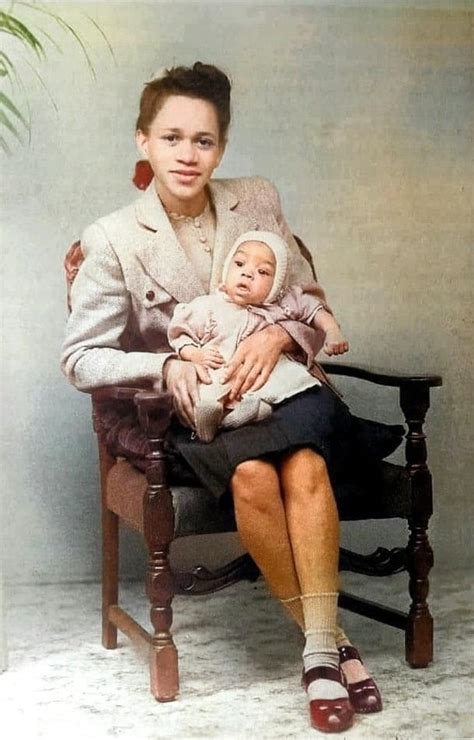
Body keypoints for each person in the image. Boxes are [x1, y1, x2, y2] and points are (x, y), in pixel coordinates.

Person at [61, 62, 403, 732]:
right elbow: (79, 358)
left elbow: (309, 304)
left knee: (303, 464)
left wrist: (279, 339)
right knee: (252, 477)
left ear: (222, 146)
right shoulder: (112, 239)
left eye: (204, 141)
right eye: (172, 138)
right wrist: (166, 364)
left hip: (289, 397)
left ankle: (315, 656)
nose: (188, 155)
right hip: (202, 414)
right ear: (142, 141)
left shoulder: (257, 199)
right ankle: (336, 645)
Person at [167, 230, 349, 442]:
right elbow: (180, 334)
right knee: (207, 389)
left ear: (278, 285)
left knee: (283, 387)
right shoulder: (208, 306)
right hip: (222, 368)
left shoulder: (284, 304)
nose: (247, 273)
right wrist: (194, 354)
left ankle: (249, 413)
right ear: (226, 269)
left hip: (268, 372)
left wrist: (332, 331)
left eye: (263, 272)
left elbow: (315, 310)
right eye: (239, 264)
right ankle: (209, 421)